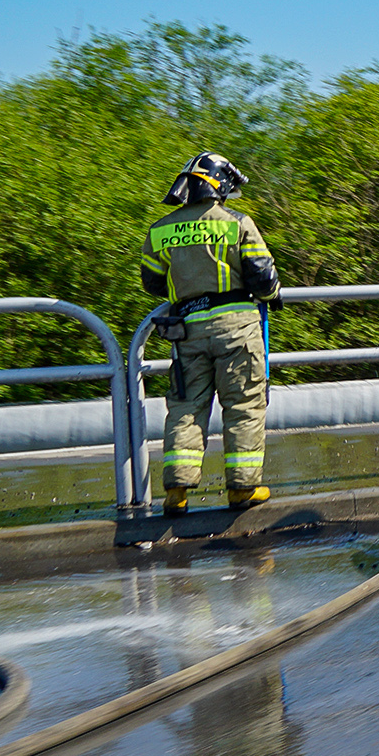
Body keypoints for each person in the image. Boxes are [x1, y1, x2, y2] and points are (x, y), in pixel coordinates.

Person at [141, 152, 282, 515]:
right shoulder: (238, 223)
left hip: (186, 330)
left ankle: (176, 493)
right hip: (237, 329)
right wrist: (273, 297)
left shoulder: (161, 229)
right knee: (244, 405)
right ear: (220, 184)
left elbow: (153, 283)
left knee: (186, 408)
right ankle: (242, 490)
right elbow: (263, 279)